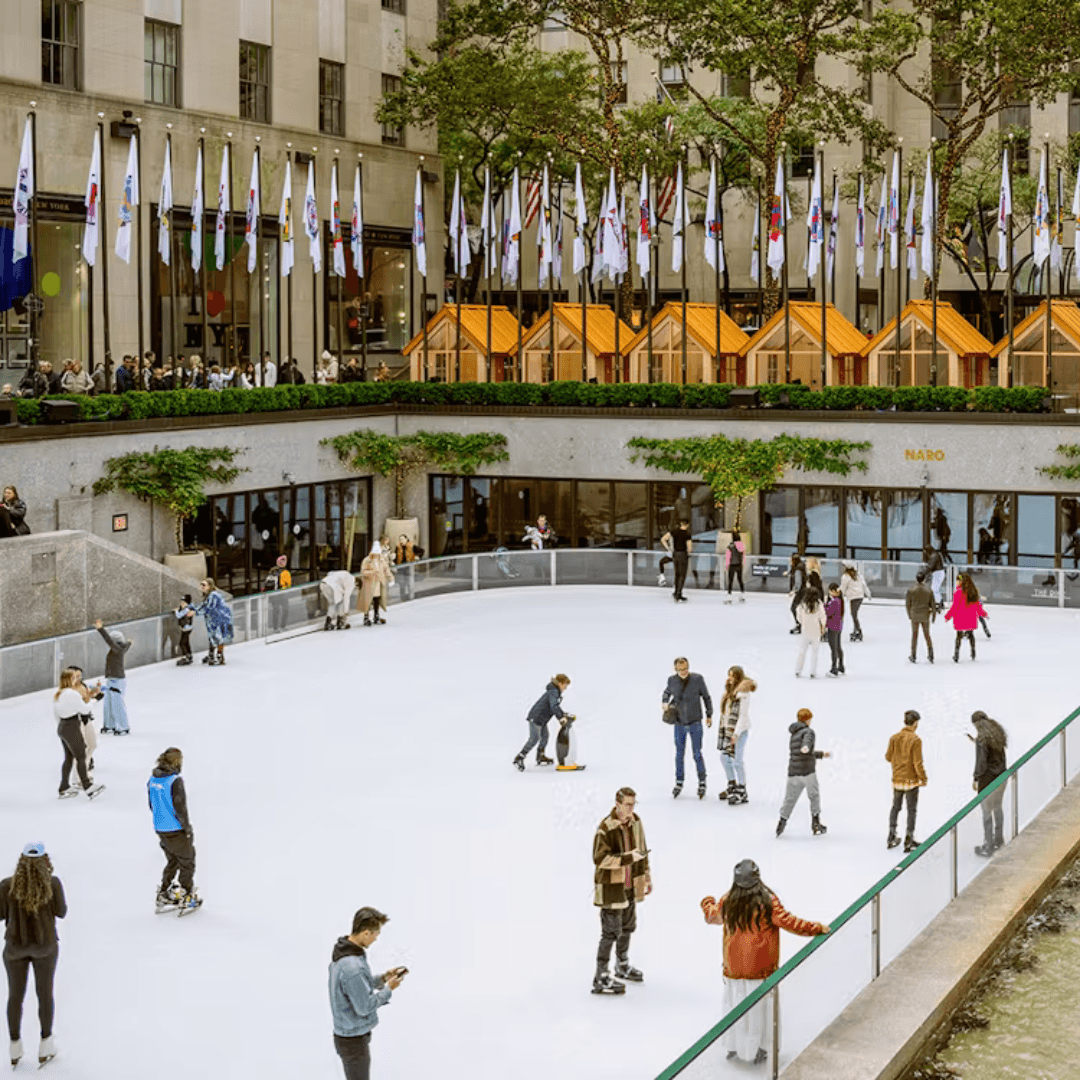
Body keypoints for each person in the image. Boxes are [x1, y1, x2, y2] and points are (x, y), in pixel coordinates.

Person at [701, 860, 830, 1066]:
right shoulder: (767, 901)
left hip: (733, 968)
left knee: (736, 1007)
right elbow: (790, 922)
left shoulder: (728, 900)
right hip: (760, 969)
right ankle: (758, 1048)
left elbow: (713, 916)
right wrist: (816, 927)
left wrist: (707, 901)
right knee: (759, 1011)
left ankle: (734, 1046)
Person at [0, 843, 65, 1070]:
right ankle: (46, 1043)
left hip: (15, 949)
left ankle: (15, 1045)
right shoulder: (53, 884)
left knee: (15, 996)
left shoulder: (7, 885)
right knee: (44, 993)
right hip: (44, 947)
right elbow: (62, 911)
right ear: (45, 862)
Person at [328, 907, 405, 1080]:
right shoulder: (352, 967)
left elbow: (357, 988)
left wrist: (383, 978)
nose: (376, 939)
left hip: (349, 1037)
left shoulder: (345, 954)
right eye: (375, 934)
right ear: (365, 933)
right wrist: (388, 990)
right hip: (353, 1042)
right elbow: (364, 1007)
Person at [591, 787, 651, 994]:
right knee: (610, 932)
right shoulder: (606, 828)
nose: (631, 809)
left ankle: (622, 965)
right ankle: (601, 976)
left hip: (630, 885)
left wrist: (646, 877)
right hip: (611, 888)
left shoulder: (636, 822)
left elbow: (642, 849)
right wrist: (627, 858)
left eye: (633, 804)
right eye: (627, 805)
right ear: (617, 804)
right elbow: (599, 859)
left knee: (628, 927)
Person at [147, 748, 201, 914]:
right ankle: (186, 895)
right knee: (187, 861)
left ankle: (164, 892)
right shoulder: (175, 781)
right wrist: (187, 828)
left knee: (173, 860)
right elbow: (180, 808)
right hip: (176, 828)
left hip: (160, 827)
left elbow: (151, 804)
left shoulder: (153, 779)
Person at [663, 657, 713, 798]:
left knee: (697, 753)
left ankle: (702, 781)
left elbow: (706, 697)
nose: (684, 672)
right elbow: (667, 692)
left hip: (695, 721)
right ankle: (679, 781)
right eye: (680, 670)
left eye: (685, 669)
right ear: (675, 669)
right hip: (679, 722)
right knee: (679, 754)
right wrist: (664, 702)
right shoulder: (672, 680)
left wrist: (709, 714)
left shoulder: (697, 679)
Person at [776, 708, 830, 837]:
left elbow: (801, 753)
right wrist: (806, 747)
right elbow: (806, 744)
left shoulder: (794, 734)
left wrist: (821, 754)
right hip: (807, 771)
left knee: (790, 799)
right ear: (807, 719)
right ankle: (816, 822)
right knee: (814, 796)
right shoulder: (808, 732)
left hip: (793, 772)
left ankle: (781, 823)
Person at [53, 668, 104, 799]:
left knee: (69, 758)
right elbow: (85, 710)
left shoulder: (59, 694)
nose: (77, 679)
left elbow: (57, 714)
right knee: (81, 755)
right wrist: (94, 700)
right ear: (68, 679)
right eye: (74, 677)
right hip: (72, 726)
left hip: (63, 727)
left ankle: (64, 787)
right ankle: (87, 786)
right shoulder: (72, 694)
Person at [885, 710, 927, 852]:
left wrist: (898, 761)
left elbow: (888, 757)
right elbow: (917, 762)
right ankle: (909, 840)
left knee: (895, 807)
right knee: (911, 810)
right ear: (915, 723)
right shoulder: (916, 740)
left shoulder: (894, 738)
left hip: (897, 779)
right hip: (911, 781)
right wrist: (923, 778)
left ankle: (891, 836)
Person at [513, 674, 570, 771]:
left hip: (542, 719)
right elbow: (554, 706)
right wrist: (561, 717)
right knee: (534, 739)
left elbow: (554, 707)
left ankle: (540, 756)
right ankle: (519, 758)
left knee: (545, 736)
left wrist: (563, 714)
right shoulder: (554, 692)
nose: (565, 688)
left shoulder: (554, 691)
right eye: (565, 685)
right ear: (560, 683)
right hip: (536, 718)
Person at [717, 666, 756, 805]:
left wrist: (736, 734)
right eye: (729, 675)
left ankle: (742, 789)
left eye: (733, 676)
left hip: (739, 731)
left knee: (737, 761)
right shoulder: (729, 691)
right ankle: (732, 784)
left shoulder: (743, 694)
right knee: (724, 757)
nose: (730, 678)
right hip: (728, 731)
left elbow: (742, 716)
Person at [971, 711, 1008, 857]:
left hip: (987, 779)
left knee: (986, 811)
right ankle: (999, 839)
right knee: (997, 807)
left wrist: (975, 778)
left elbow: (981, 763)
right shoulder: (997, 733)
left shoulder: (982, 739)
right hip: (1001, 776)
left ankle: (988, 844)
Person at [93, 619, 132, 735]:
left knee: (117, 704)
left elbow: (109, 641)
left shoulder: (117, 650)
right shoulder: (117, 649)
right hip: (111, 679)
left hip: (117, 680)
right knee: (108, 703)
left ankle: (123, 726)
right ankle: (109, 724)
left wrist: (100, 629)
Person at [944, 572, 988, 663]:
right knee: (971, 635)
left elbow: (954, 607)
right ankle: (973, 652)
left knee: (959, 636)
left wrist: (948, 616)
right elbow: (978, 606)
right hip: (970, 617)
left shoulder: (958, 592)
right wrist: (984, 614)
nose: (956, 582)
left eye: (957, 580)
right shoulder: (973, 591)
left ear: (961, 581)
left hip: (960, 617)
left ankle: (956, 655)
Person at [195, 578, 233, 665]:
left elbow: (209, 608)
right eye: (201, 585)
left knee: (217, 638)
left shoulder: (213, 595)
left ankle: (219, 657)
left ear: (209, 586)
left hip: (217, 621)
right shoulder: (209, 595)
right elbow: (203, 606)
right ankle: (212, 656)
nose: (202, 587)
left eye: (204, 585)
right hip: (212, 621)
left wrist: (194, 612)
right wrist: (192, 609)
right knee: (212, 638)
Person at [359, 541, 394, 626]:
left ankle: (376, 616)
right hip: (369, 583)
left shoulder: (382, 560)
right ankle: (366, 617)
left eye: (378, 554)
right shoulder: (367, 560)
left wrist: (391, 578)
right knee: (368, 601)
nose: (377, 556)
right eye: (375, 554)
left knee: (377, 600)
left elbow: (386, 570)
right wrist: (372, 572)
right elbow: (363, 572)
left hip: (378, 583)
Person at [794, 587, 827, 678]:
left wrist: (803, 622)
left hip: (805, 630)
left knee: (802, 651)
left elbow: (798, 617)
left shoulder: (802, 605)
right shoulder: (819, 604)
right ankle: (812, 671)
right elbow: (823, 617)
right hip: (816, 630)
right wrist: (823, 627)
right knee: (815, 652)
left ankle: (798, 670)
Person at [905, 570, 935, 664]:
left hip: (915, 614)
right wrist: (933, 615)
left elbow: (908, 604)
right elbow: (933, 605)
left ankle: (913, 655)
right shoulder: (929, 590)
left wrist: (909, 614)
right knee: (927, 635)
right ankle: (931, 653)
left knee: (914, 635)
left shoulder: (911, 590)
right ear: (924, 579)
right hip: (925, 614)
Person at [660, 518, 692, 602]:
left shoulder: (674, 532)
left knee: (677, 574)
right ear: (687, 525)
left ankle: (675, 592)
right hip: (683, 555)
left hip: (675, 554)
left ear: (681, 524)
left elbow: (663, 539)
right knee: (682, 575)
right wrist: (689, 552)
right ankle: (678, 594)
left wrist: (669, 549)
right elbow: (689, 548)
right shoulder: (687, 534)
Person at [840, 564, 870, 641]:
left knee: (854, 614)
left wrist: (839, 595)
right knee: (854, 614)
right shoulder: (858, 575)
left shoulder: (846, 576)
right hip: (859, 596)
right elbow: (864, 585)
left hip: (854, 597)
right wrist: (867, 593)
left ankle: (858, 631)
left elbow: (843, 587)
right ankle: (856, 630)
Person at [263, 555, 292, 633]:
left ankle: (279, 627)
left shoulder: (278, 571)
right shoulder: (278, 571)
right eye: (282, 561)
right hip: (278, 593)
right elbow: (288, 584)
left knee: (280, 609)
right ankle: (279, 627)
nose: (283, 563)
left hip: (280, 593)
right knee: (279, 609)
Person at [824, 583, 846, 677]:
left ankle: (834, 668)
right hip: (838, 626)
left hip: (832, 626)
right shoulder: (840, 601)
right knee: (838, 646)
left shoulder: (834, 602)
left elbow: (828, 612)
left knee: (834, 647)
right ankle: (841, 666)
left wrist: (825, 605)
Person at [786, 554, 807, 634]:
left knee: (793, 607)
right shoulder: (801, 567)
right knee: (802, 608)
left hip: (801, 592)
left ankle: (799, 625)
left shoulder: (798, 569)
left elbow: (798, 582)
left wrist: (794, 591)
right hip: (803, 590)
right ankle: (800, 625)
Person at [724, 530, 746, 603]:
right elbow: (743, 556)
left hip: (732, 565)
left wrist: (727, 566)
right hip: (739, 565)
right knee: (740, 580)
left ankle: (729, 597)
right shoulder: (742, 545)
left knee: (730, 581)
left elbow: (728, 557)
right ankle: (743, 595)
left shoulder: (730, 546)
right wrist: (743, 563)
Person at [174, 594, 195, 666]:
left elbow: (179, 615)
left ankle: (186, 656)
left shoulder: (187, 609)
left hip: (187, 628)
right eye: (181, 602)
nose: (182, 604)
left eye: (184, 602)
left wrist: (176, 611)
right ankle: (189, 655)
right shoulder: (187, 608)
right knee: (186, 642)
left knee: (182, 643)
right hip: (185, 628)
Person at [923, 545, 946, 612]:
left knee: (935, 588)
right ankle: (940, 602)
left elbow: (930, 566)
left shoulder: (934, 556)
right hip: (938, 572)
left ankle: (938, 603)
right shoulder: (935, 554)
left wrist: (923, 573)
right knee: (935, 588)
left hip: (938, 573)